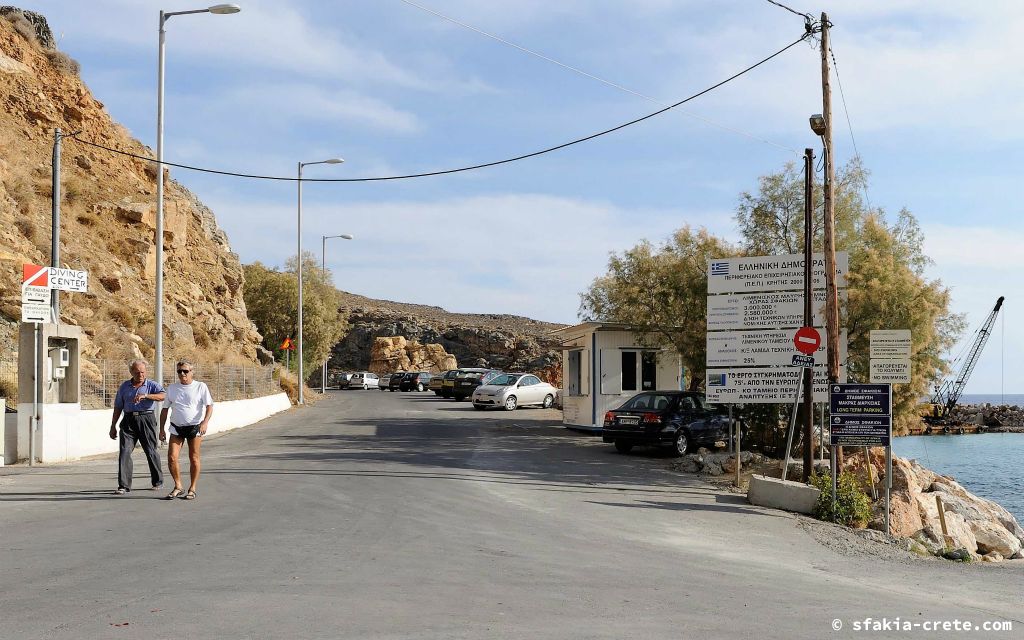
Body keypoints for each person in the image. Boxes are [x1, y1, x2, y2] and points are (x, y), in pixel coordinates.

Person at [158, 359, 213, 500]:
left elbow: (209, 406)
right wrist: (162, 429)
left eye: (185, 371)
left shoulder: (201, 386)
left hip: (194, 427)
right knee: (171, 458)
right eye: (179, 371)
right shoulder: (172, 388)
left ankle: (192, 488)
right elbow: (164, 409)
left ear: (192, 372)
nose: (182, 374)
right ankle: (178, 486)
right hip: (176, 427)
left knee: (194, 458)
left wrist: (205, 422)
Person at [109, 359, 166, 495]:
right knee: (124, 452)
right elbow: (118, 406)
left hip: (146, 418)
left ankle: (157, 481)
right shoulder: (124, 387)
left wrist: (146, 396)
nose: (140, 375)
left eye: (142, 372)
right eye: (137, 372)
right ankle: (124, 485)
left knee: (150, 450)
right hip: (128, 420)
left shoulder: (151, 385)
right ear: (131, 372)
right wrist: (113, 426)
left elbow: (163, 395)